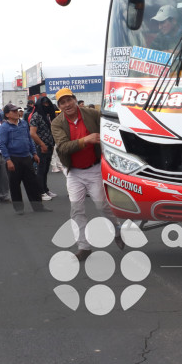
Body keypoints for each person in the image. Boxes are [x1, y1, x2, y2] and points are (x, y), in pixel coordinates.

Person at [51, 88, 122, 261]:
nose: (67, 104)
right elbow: (63, 147)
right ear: (59, 106)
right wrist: (86, 140)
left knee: (102, 206)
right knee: (76, 210)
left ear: (75, 100)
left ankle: (117, 228)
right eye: (62, 102)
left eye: (69, 100)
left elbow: (111, 129)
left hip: (95, 168)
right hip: (74, 172)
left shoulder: (92, 114)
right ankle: (83, 246)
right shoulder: (57, 123)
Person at [0, 103, 50, 214]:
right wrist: (8, 160)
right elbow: (2, 145)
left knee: (32, 184)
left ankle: (38, 207)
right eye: (13, 111)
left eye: (17, 110)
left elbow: (29, 139)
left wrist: (34, 153)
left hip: (26, 157)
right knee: (14, 184)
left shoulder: (24, 123)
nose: (17, 112)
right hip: (13, 158)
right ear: (7, 114)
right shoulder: (4, 127)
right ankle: (19, 209)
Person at [29, 96, 58, 202]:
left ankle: (45, 189)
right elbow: (32, 133)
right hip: (40, 147)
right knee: (40, 170)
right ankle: (40, 192)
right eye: (44, 104)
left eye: (48, 104)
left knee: (45, 170)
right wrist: (42, 144)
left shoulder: (48, 116)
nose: (46, 106)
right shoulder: (36, 116)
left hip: (49, 146)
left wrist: (51, 144)